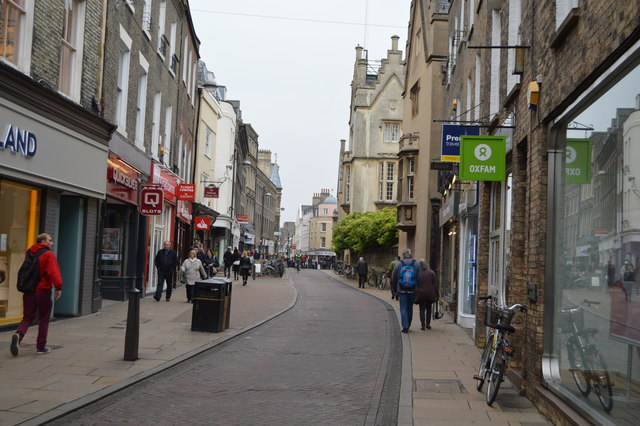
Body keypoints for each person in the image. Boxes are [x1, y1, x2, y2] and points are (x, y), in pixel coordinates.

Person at [10, 233, 62, 356]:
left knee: (27, 317)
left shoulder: (29, 252)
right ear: (43, 241)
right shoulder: (48, 254)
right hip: (42, 290)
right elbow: (53, 272)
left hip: (28, 290)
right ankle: (41, 347)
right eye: (49, 240)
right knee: (44, 318)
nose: (51, 243)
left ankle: (19, 334)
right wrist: (59, 287)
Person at [391, 249, 421, 333]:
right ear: (411, 254)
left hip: (401, 290)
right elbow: (420, 277)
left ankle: (405, 326)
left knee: (403, 308)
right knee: (409, 308)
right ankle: (409, 324)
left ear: (403, 255)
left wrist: (394, 289)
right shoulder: (416, 264)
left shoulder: (398, 264)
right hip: (413, 290)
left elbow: (394, 277)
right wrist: (418, 288)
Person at [415, 259, 439, 330]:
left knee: (422, 309)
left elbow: (416, 284)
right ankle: (428, 324)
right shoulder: (431, 273)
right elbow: (435, 285)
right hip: (430, 293)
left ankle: (423, 325)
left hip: (421, 294)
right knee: (429, 309)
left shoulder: (418, 273)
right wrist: (437, 294)